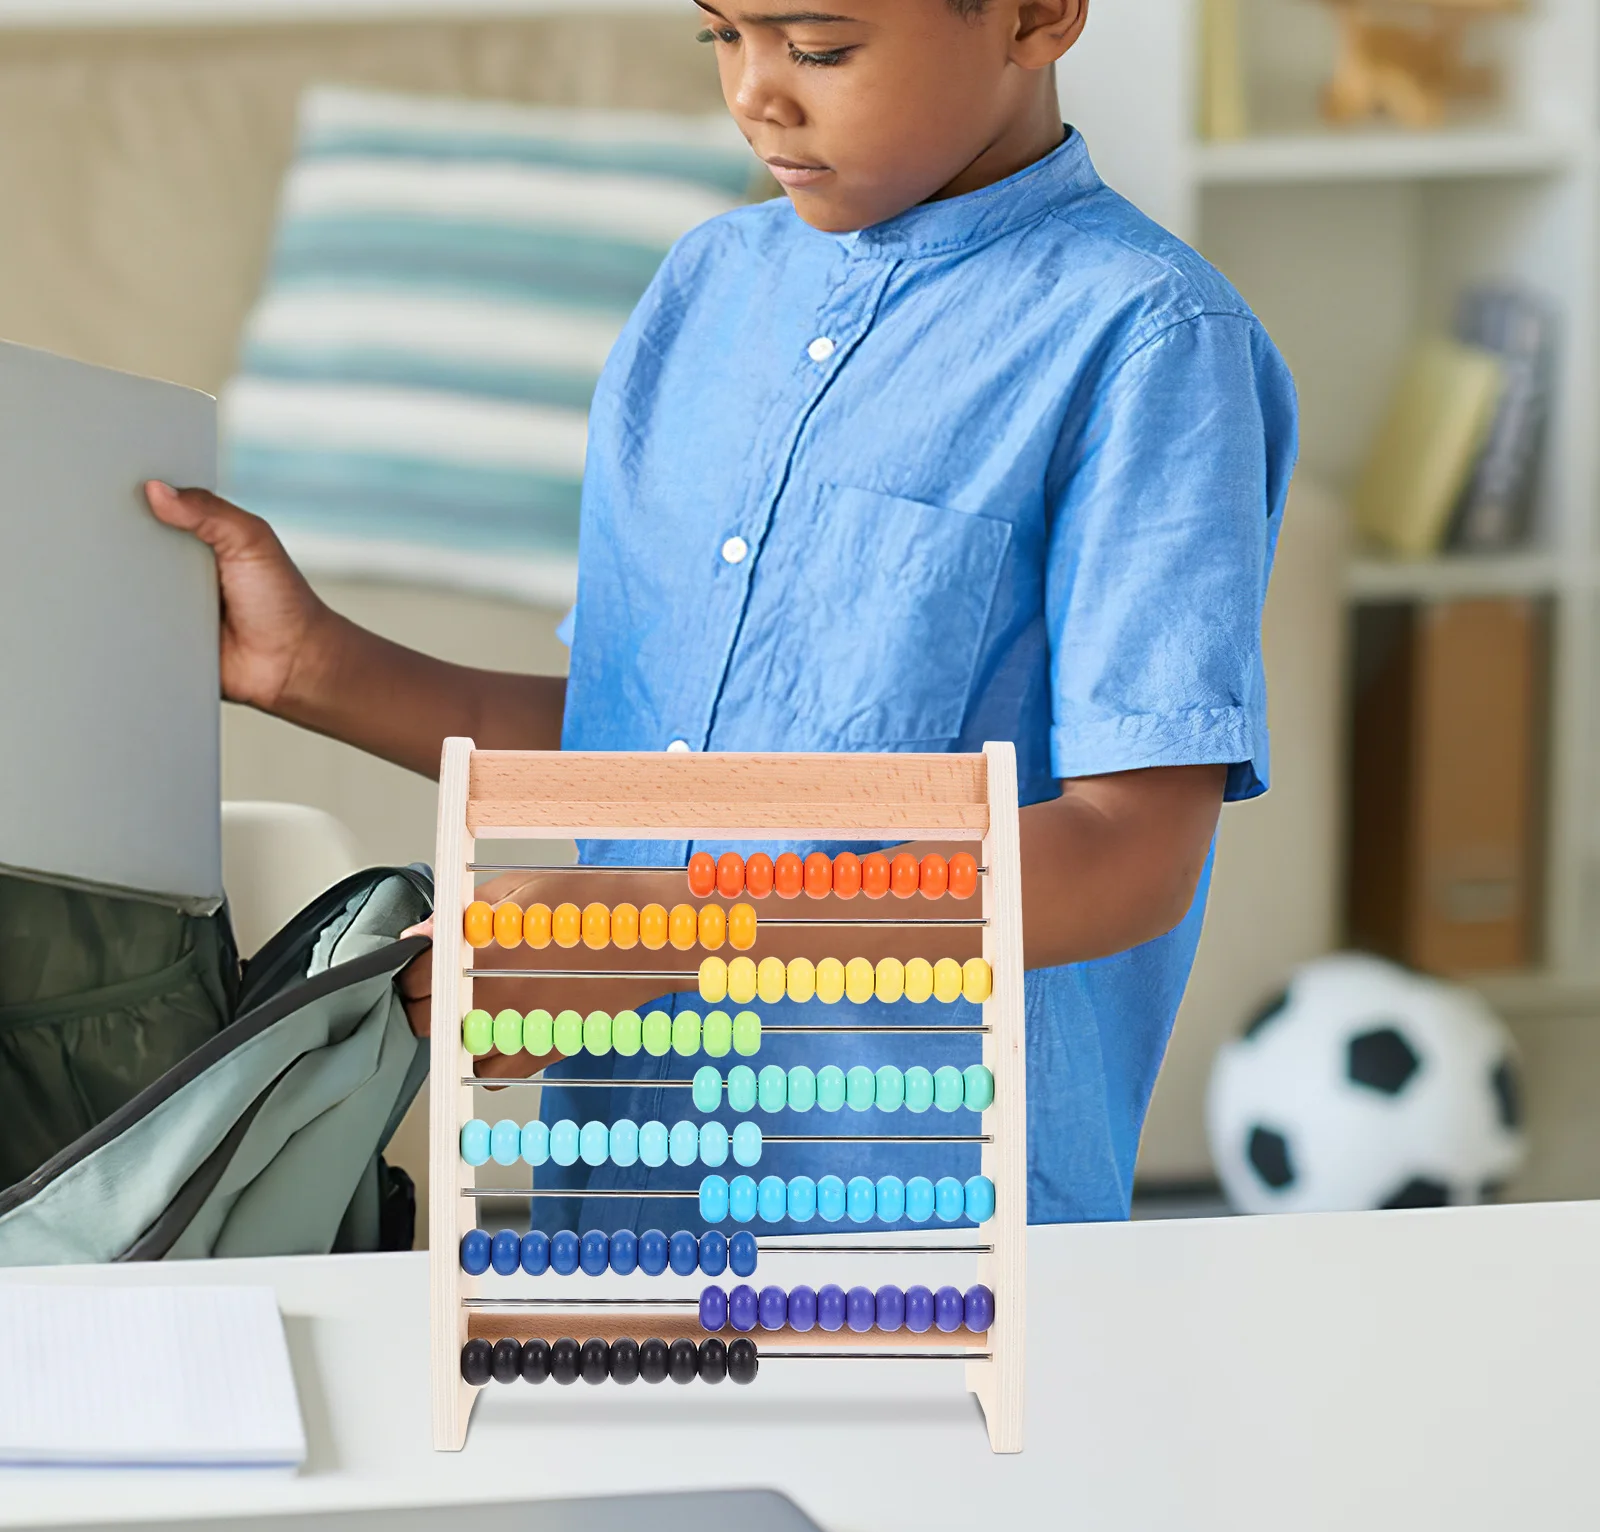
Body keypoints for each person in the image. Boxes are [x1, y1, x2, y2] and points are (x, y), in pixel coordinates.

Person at [145, 0, 1296, 1225]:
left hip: (932, 1227)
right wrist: (309, 664)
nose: (756, 94)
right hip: (622, 1213)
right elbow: (637, 754)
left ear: (1037, 18)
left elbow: (1129, 858)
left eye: (817, 49)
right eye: (721, 37)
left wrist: (665, 925)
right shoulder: (703, 288)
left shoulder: (1149, 340)